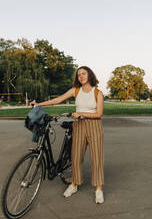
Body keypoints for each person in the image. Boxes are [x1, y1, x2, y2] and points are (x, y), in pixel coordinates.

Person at [30, 66, 105, 204]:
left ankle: (98, 189)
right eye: (78, 75)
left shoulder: (98, 93)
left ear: (90, 75)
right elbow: (57, 100)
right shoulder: (75, 91)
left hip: (94, 126)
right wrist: (38, 104)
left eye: (83, 73)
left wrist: (81, 113)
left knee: (97, 158)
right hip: (79, 125)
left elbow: (99, 114)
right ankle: (74, 184)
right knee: (76, 157)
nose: (81, 76)